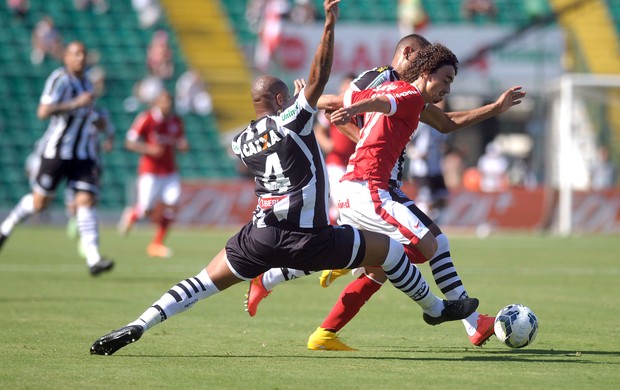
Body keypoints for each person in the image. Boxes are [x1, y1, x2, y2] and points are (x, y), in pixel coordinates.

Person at [90, 1, 478, 356]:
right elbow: (319, 76)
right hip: (309, 235)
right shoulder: (293, 119)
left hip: (259, 234)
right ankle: (437, 307)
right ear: (281, 102)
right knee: (391, 253)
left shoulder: (242, 142)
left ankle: (139, 323)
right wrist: (328, 26)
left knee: (200, 283)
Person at [245, 34, 525, 350]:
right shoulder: (389, 82)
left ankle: (315, 321)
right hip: (368, 187)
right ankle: (448, 314)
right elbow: (348, 101)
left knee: (390, 263)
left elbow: (446, 122)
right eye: (444, 78)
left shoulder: (413, 96)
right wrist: (310, 104)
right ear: (420, 64)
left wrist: (496, 107)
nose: (448, 88)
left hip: (378, 187)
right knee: (422, 248)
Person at [0, 41, 114, 276]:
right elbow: (43, 111)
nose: (80, 57)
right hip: (57, 152)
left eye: (83, 53)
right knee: (40, 203)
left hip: (82, 155)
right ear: (66, 58)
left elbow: (89, 113)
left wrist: (97, 121)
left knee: (86, 200)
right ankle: (6, 226)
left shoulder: (86, 82)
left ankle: (93, 258)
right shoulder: (60, 79)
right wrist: (75, 103)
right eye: (75, 54)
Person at [117, 90, 188, 258]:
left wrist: (183, 145)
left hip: (170, 171)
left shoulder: (176, 121)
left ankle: (156, 243)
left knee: (173, 204)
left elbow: (180, 141)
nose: (167, 105)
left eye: (169, 102)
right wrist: (148, 149)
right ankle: (133, 214)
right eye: (163, 101)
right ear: (157, 103)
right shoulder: (147, 118)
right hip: (150, 171)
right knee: (146, 211)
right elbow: (129, 142)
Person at [314, 73, 358, 225]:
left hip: (353, 164)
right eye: (346, 85)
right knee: (341, 203)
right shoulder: (335, 106)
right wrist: (326, 143)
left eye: (351, 85)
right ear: (341, 86)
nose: (347, 88)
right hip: (335, 163)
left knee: (342, 205)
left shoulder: (358, 107)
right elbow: (319, 129)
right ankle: (333, 234)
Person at [406, 99, 449, 221]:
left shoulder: (442, 124)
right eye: (439, 102)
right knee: (426, 200)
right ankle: (419, 223)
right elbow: (407, 141)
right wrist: (417, 154)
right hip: (422, 169)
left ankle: (434, 224)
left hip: (436, 168)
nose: (442, 104)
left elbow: (442, 144)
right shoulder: (422, 123)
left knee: (442, 199)